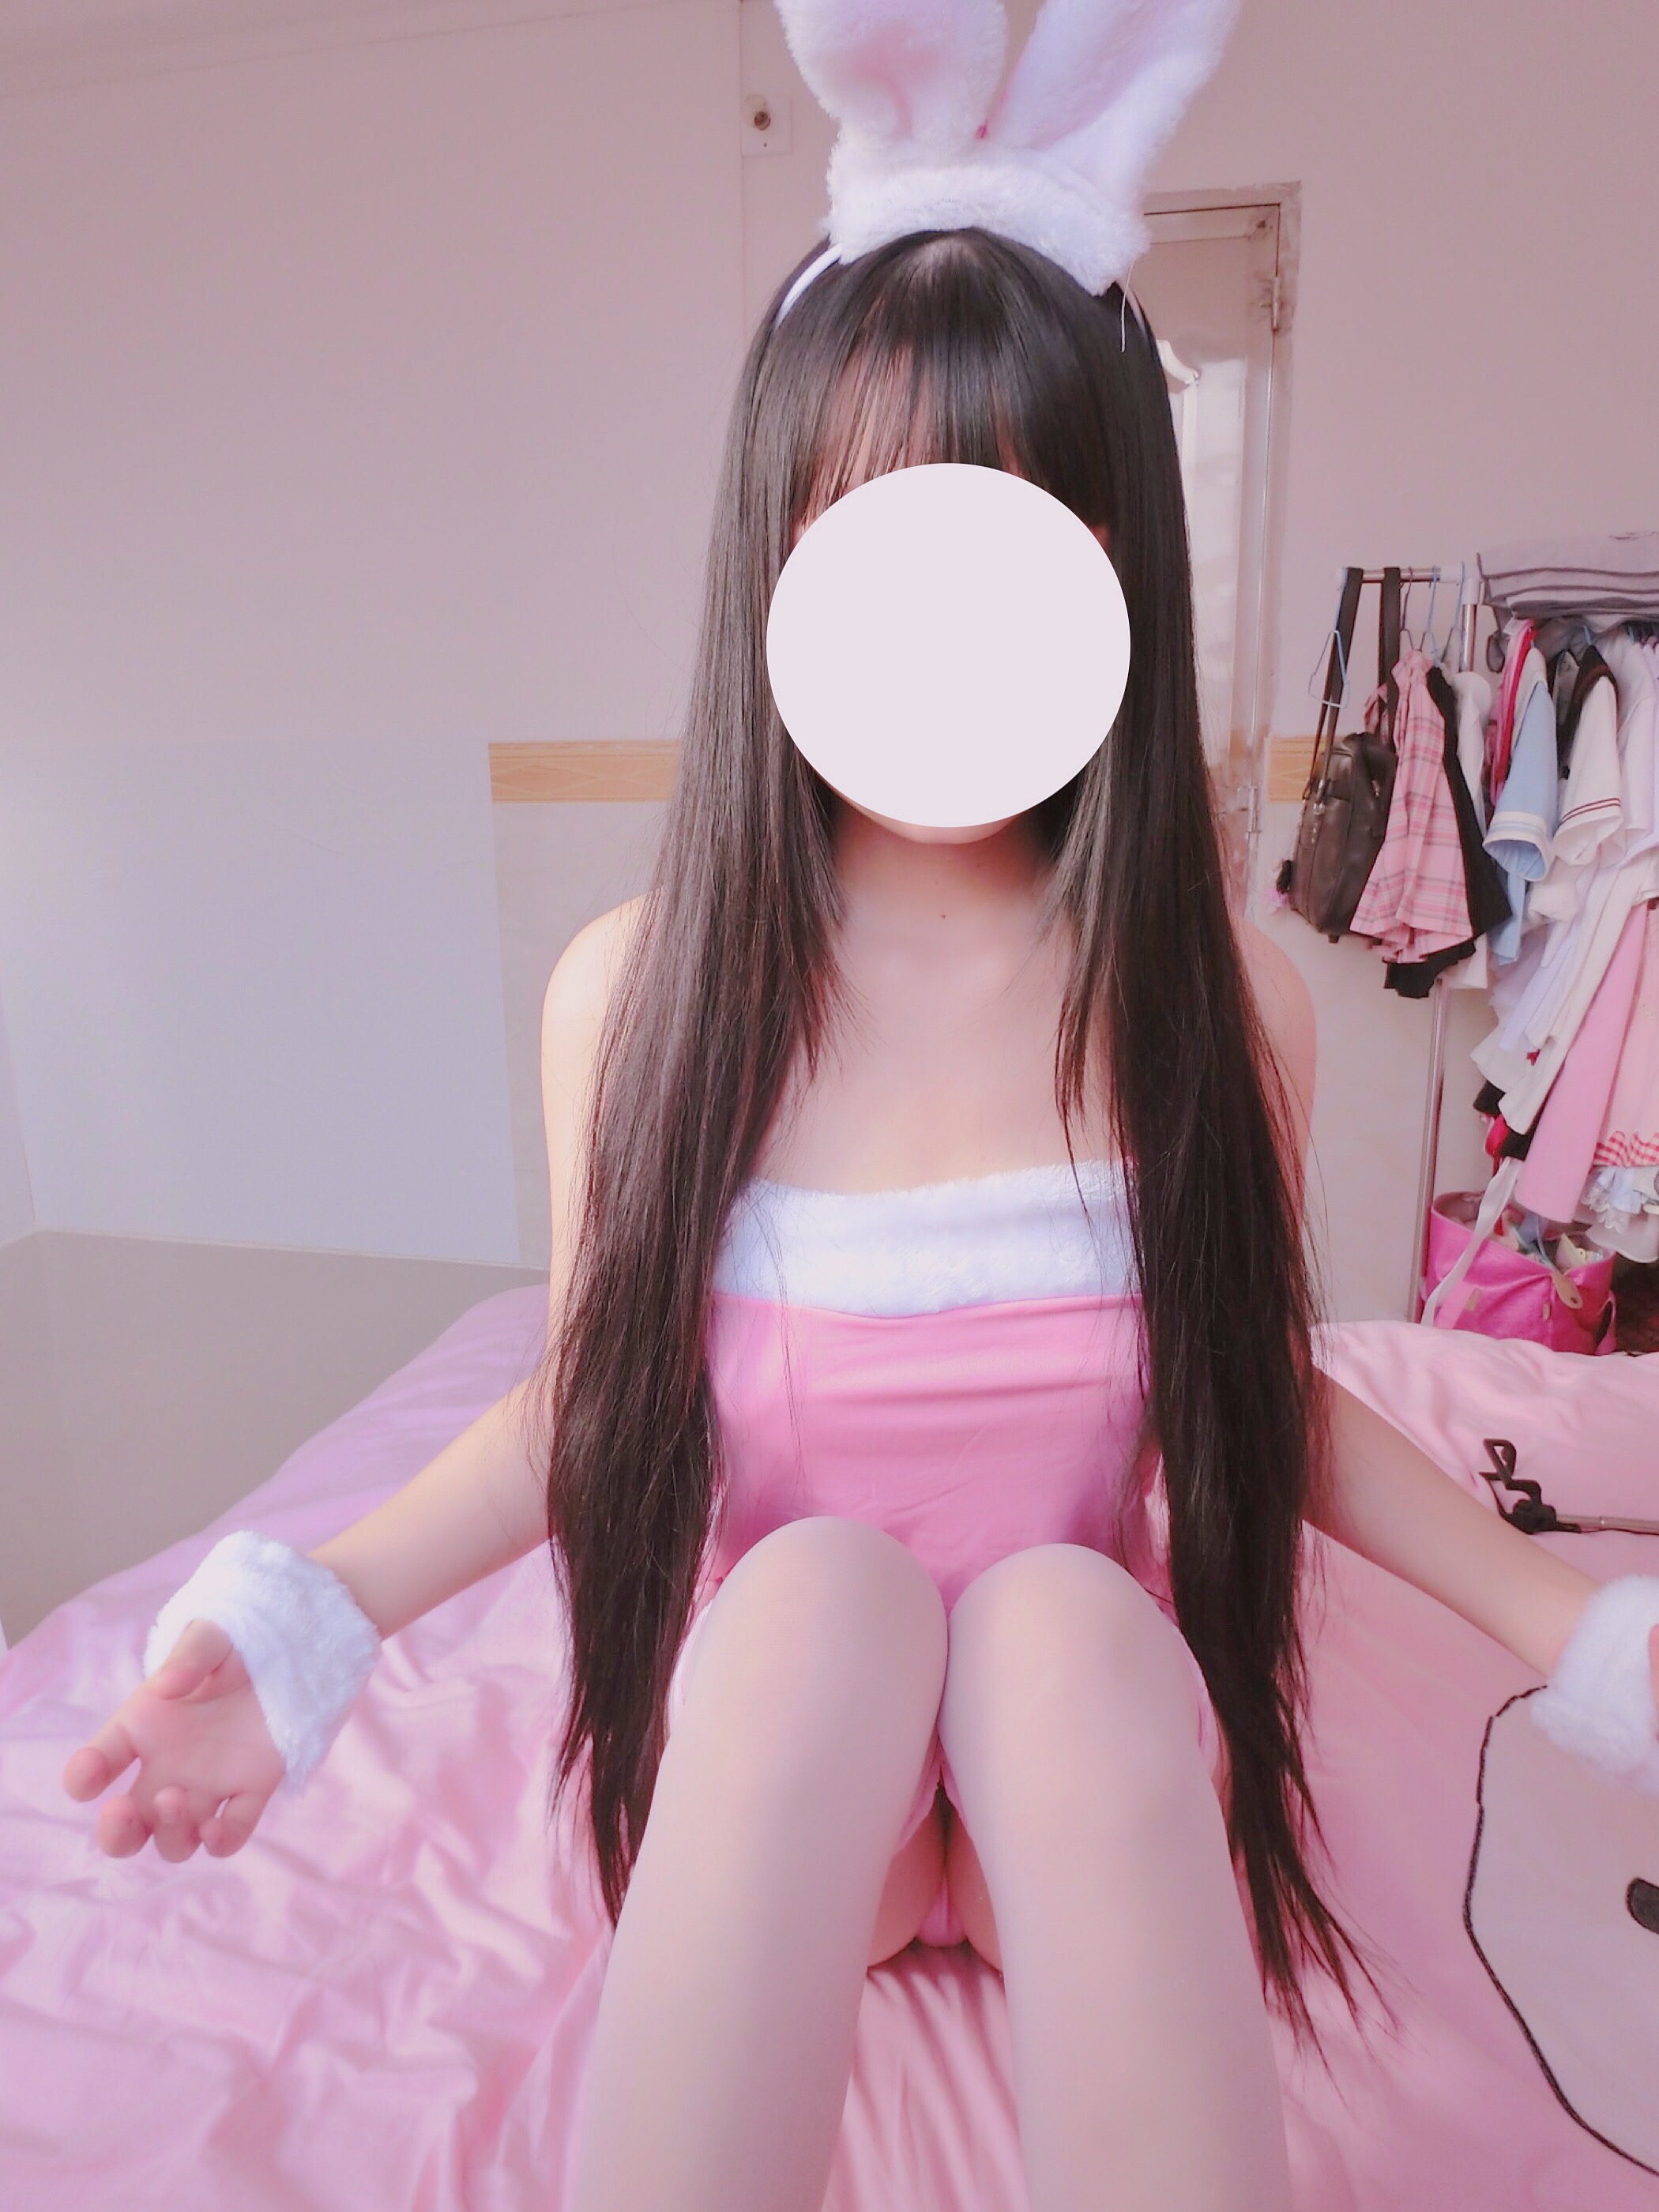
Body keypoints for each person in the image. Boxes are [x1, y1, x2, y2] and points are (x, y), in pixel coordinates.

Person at [58, 224, 1657, 2212]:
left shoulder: (1219, 998)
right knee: (820, 1597)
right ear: (782, 568)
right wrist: (313, 1619)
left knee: (1063, 1626)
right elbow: (588, 1404)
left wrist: (1585, 1635)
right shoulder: (644, 994)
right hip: (807, 1768)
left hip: (1081, 1762)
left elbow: (1265, 1394)